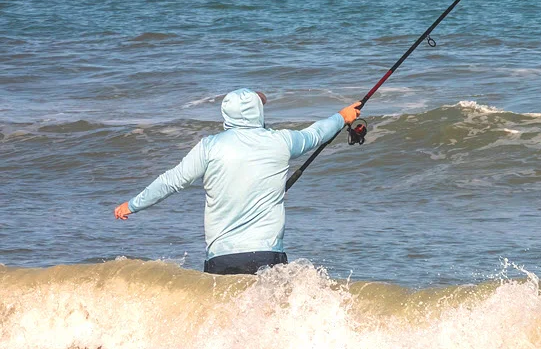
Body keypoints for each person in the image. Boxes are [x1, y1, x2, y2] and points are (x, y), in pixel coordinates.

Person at [114, 88, 361, 275]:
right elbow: (316, 134)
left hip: (222, 257)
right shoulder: (282, 141)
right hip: (268, 254)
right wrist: (342, 117)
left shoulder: (209, 147)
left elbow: (171, 181)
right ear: (258, 112)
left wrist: (133, 205)